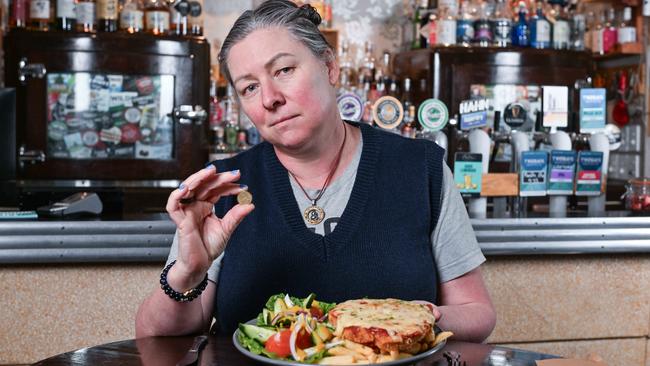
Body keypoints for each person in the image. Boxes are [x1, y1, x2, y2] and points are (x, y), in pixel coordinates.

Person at [135, 0, 496, 343]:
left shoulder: (421, 168)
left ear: (330, 66)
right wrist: (187, 272)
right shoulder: (225, 188)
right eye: (249, 87)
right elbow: (154, 337)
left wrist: (420, 318)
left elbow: (476, 313)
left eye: (284, 70)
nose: (269, 98)